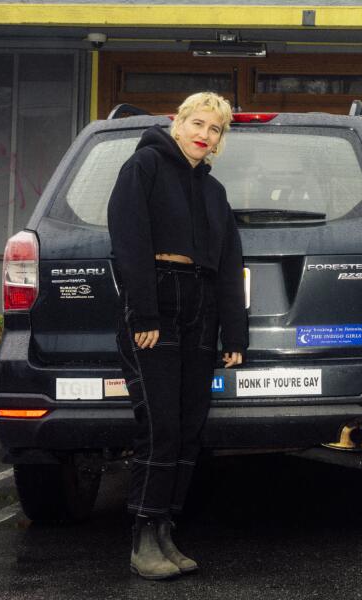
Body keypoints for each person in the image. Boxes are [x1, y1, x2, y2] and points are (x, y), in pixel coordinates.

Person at [107, 92, 247, 580]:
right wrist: (143, 314)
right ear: (178, 122)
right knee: (161, 425)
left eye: (214, 130)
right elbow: (128, 243)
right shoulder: (143, 166)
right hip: (157, 304)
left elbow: (230, 264)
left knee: (190, 427)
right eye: (198, 123)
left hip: (202, 308)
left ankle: (166, 529)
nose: (204, 135)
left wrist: (234, 332)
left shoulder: (214, 193)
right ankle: (143, 535)